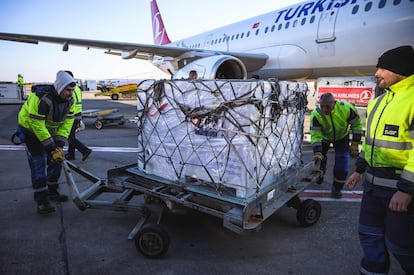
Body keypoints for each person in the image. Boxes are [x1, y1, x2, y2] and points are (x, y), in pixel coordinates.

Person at [346, 45, 414, 274]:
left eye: (383, 68)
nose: (377, 73)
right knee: (369, 235)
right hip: (372, 189)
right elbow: (370, 141)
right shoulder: (377, 101)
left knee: (401, 245)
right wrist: (359, 170)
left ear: (400, 70)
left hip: (398, 191)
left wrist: (406, 190)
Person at [17, 70, 76, 214]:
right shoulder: (41, 98)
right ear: (60, 88)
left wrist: (59, 146)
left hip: (49, 131)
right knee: (39, 165)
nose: (71, 93)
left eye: (73, 90)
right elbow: (37, 125)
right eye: (68, 90)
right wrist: (51, 147)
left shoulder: (70, 101)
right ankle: (42, 202)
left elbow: (68, 123)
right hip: (30, 131)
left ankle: (53, 193)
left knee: (57, 162)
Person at [309, 92, 363, 198]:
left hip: (342, 137)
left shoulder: (346, 109)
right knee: (320, 159)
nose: (324, 109)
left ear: (334, 103)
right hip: (324, 138)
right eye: (322, 106)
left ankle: (337, 187)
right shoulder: (316, 114)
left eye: (327, 106)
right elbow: (315, 135)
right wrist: (318, 151)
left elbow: (356, 124)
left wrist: (355, 143)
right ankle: (320, 173)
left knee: (341, 164)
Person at [64, 71, 92, 161]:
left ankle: (85, 150)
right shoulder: (77, 88)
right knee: (72, 136)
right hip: (78, 114)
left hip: (72, 115)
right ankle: (71, 154)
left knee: (70, 137)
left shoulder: (69, 88)